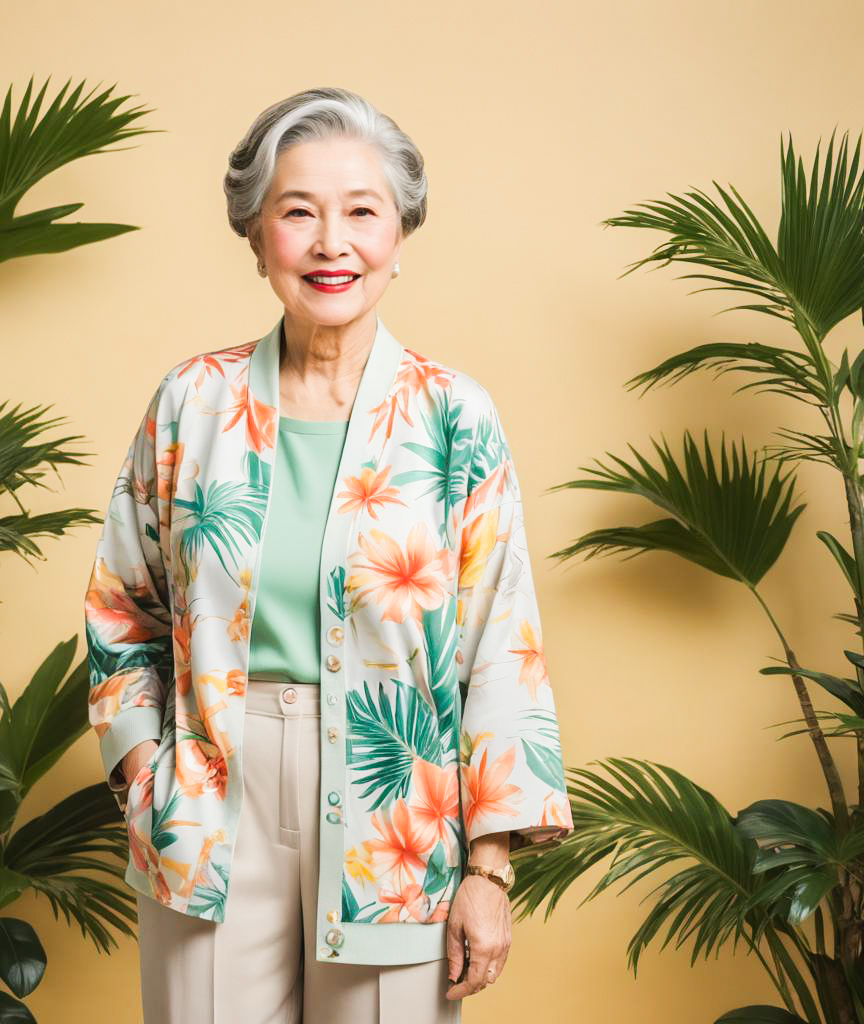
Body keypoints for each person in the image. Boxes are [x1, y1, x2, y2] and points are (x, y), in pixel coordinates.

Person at [83, 85, 575, 1024]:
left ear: (400, 232)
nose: (329, 242)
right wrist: (147, 777)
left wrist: (489, 868)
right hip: (211, 800)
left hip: (397, 812)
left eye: (361, 212)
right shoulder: (192, 402)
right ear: (256, 232)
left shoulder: (453, 417)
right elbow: (121, 607)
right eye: (297, 212)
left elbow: (499, 643)